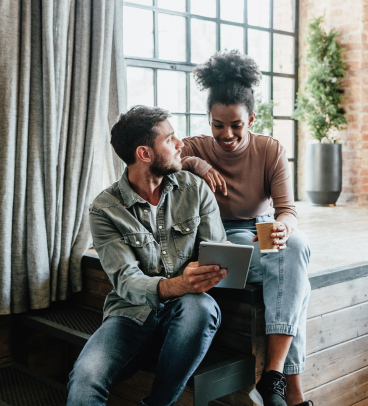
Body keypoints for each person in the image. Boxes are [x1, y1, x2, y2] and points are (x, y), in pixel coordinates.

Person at [67, 106, 228, 406]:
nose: (181, 144)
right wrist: (179, 283)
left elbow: (217, 251)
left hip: (186, 311)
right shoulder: (105, 209)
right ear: (144, 154)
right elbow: (126, 281)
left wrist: (211, 272)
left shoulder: (195, 189)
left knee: (201, 307)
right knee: (85, 378)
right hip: (130, 315)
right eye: (170, 139)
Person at [181, 51, 312, 406]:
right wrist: (196, 164)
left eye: (236, 125)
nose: (227, 134)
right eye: (218, 125)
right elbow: (165, 159)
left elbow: (286, 211)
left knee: (296, 249)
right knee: (294, 282)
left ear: (251, 119)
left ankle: (271, 377)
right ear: (209, 119)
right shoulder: (196, 147)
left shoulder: (270, 150)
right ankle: (288, 390)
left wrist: (283, 228)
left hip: (261, 227)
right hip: (223, 232)